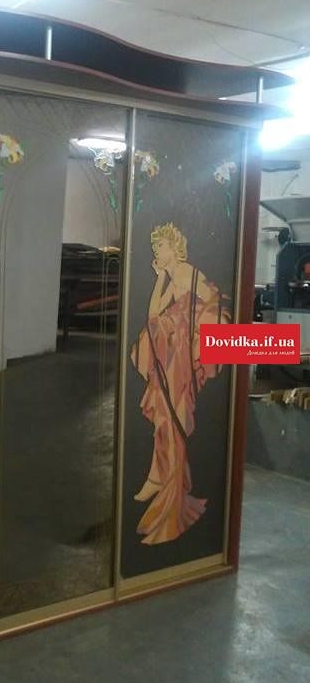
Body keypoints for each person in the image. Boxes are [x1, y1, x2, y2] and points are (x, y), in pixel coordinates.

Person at [130, 222, 229, 545]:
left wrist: (195, 336)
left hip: (182, 364)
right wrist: (159, 277)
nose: (156, 251)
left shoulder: (188, 274)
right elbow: (152, 316)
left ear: (174, 248)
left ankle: (172, 501)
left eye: (159, 246)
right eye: (154, 247)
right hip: (169, 359)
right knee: (164, 419)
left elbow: (214, 304)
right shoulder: (173, 278)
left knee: (173, 422)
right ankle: (156, 477)